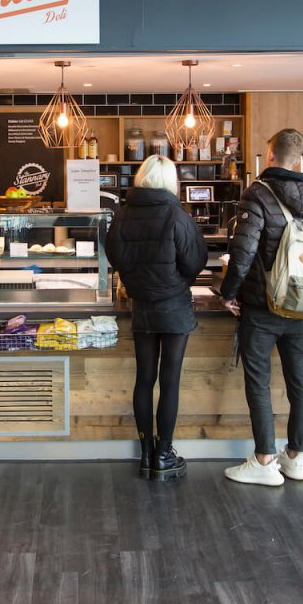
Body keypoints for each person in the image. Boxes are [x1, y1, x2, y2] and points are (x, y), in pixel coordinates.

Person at [220, 129, 303, 486]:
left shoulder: (258, 194)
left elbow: (243, 252)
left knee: (259, 381)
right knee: (300, 378)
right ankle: (295, 457)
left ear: (269, 155)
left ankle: (265, 459)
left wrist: (228, 292)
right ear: (298, 160)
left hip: (263, 305)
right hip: (302, 304)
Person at [105, 154, 208, 481]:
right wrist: (178, 281)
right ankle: (164, 456)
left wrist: (135, 279)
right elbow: (196, 261)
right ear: (170, 181)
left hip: (142, 305)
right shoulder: (178, 215)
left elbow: (114, 256)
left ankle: (146, 453)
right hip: (175, 306)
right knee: (170, 380)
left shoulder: (122, 216)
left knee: (144, 378)